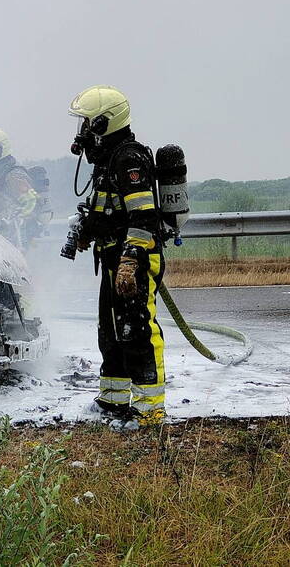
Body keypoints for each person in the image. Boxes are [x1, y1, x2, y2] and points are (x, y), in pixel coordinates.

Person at [67, 85, 166, 423]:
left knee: (138, 331)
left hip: (133, 260)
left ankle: (149, 409)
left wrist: (130, 259)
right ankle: (113, 401)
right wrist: (86, 233)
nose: (81, 132)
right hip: (113, 258)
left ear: (102, 123)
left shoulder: (129, 158)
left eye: (86, 123)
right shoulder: (109, 159)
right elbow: (107, 209)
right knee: (112, 332)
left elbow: (143, 215)